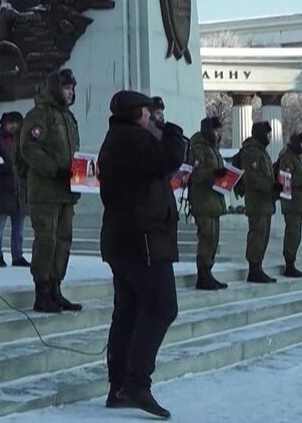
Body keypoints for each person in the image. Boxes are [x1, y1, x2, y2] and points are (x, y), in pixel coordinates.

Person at [98, 90, 187, 419]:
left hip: (126, 240)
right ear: (138, 114)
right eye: (149, 113)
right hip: (143, 241)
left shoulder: (120, 138)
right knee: (162, 306)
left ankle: (119, 385)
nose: (153, 117)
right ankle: (136, 382)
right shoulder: (133, 139)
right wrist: (172, 130)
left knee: (129, 310)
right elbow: (170, 158)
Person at [20, 68, 82, 314]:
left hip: (67, 191)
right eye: (67, 88)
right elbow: (29, 148)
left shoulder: (68, 118)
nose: (71, 93)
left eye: (73, 88)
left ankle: (56, 288)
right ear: (56, 88)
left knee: (63, 241)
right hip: (45, 190)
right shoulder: (39, 115)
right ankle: (42, 291)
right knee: (46, 241)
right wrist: (54, 169)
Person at [187, 115, 229, 290]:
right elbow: (194, 174)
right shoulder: (198, 148)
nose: (218, 134)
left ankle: (208, 272)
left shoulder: (213, 149)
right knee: (206, 238)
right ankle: (203, 275)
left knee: (213, 240)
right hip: (203, 202)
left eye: (219, 131)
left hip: (214, 202)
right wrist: (213, 173)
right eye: (216, 130)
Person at [240, 121, 278, 283]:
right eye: (267, 133)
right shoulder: (253, 152)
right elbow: (252, 179)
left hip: (265, 203)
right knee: (257, 235)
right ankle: (254, 269)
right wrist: (271, 185)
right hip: (257, 203)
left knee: (263, 236)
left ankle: (258, 267)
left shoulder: (262, 152)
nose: (269, 137)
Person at [0, 112, 30, 268]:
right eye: (10, 123)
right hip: (2, 187)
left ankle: (17, 255)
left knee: (19, 226)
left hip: (20, 188)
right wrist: (6, 166)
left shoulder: (23, 139)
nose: (13, 126)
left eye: (16, 123)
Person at [276, 132, 302, 278]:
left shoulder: (295, 158)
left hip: (297, 203)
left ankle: (292, 261)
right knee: (292, 233)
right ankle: (289, 263)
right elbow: (285, 179)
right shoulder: (289, 159)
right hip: (291, 203)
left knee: (296, 233)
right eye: (301, 143)